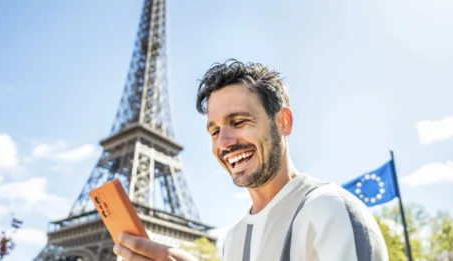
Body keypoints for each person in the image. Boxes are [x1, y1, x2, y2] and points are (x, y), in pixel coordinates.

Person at [113, 59, 389, 261]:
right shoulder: (233, 239)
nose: (224, 142)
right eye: (214, 131)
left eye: (239, 121)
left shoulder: (330, 209)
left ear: (283, 122)